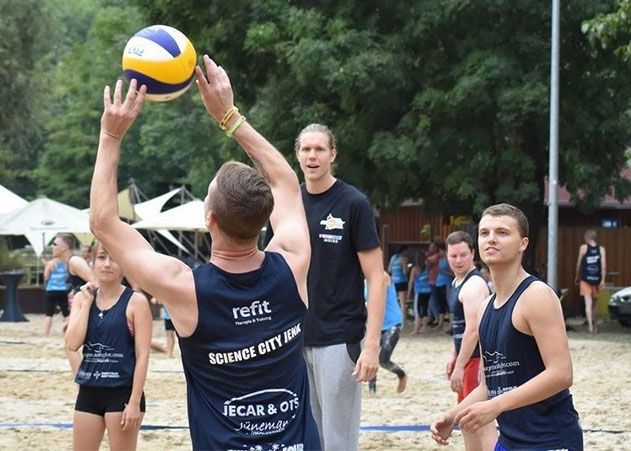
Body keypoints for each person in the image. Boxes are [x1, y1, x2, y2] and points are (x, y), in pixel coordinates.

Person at [88, 57, 320, 450]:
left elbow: (103, 222)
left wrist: (111, 137)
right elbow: (285, 181)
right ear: (265, 222)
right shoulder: (292, 261)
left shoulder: (185, 289)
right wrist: (228, 116)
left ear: (208, 217)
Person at [431, 203, 583, 450]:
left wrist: (496, 405)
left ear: (523, 243)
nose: (491, 239)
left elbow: (561, 374)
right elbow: (490, 384)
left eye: (502, 232)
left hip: (550, 440)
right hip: (510, 441)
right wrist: (453, 415)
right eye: (484, 233)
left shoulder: (536, 296)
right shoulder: (485, 307)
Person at [295, 123, 385, 450]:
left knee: (337, 443)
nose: (312, 155)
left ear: (333, 154)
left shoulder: (353, 203)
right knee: (306, 439)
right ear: (297, 155)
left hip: (339, 338)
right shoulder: (287, 204)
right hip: (295, 338)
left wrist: (372, 345)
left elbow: (377, 278)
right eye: (306, 149)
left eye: (319, 149)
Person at [65, 241, 152, 451]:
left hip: (122, 393)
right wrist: (86, 305)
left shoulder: (136, 302)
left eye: (114, 259)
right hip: (89, 391)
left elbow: (143, 356)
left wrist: (133, 402)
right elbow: (72, 343)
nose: (107, 264)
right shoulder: (81, 298)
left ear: (124, 265)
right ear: (93, 262)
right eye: (102, 258)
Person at [444, 231, 497, 450]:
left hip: (477, 362)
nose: (458, 260)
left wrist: (460, 365)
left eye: (463, 255)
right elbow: (460, 328)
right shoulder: (457, 281)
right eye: (453, 256)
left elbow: (474, 330)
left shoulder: (474, 284)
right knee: (466, 421)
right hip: (468, 360)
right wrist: (455, 355)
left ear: (473, 254)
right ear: (446, 256)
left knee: (482, 423)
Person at [367, 271, 407, 395]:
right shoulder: (363, 281)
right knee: (370, 357)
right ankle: (372, 391)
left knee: (383, 360)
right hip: (376, 324)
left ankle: (402, 375)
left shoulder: (382, 276)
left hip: (392, 323)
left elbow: (377, 301)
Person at [575, 229, 606, 334]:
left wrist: (577, 276)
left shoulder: (583, 248)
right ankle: (596, 325)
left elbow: (579, 264)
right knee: (595, 304)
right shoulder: (601, 249)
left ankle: (590, 326)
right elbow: (603, 266)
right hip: (596, 280)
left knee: (588, 303)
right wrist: (603, 280)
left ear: (586, 238)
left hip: (585, 279)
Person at [407, 253, 432, 334]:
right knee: (425, 309)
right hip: (428, 290)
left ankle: (416, 329)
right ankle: (424, 328)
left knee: (417, 310)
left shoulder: (415, 269)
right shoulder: (428, 268)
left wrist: (409, 292)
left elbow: (411, 281)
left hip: (419, 291)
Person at [388, 245, 409, 318]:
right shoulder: (404, 259)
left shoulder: (393, 258)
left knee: (394, 301)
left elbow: (389, 270)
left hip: (394, 282)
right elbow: (405, 272)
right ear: (404, 251)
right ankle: (402, 318)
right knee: (402, 302)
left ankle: (394, 316)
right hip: (402, 282)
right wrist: (408, 267)